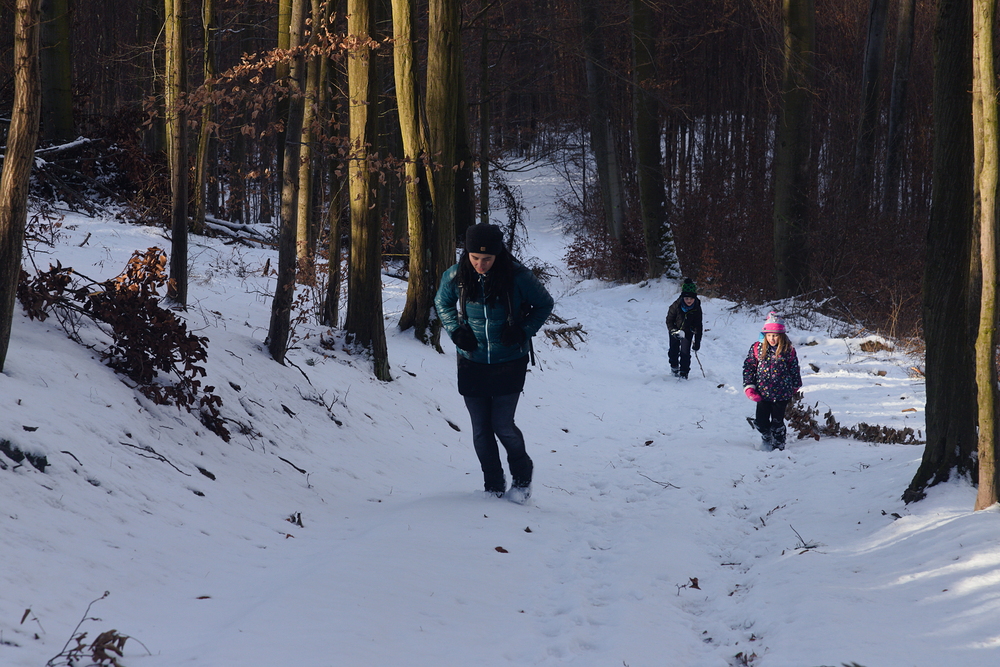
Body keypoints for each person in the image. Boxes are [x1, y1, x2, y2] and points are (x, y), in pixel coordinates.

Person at [434, 223, 554, 502]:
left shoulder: (519, 277)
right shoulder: (456, 276)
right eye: (475, 258)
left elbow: (545, 304)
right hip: (471, 361)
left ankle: (522, 477)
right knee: (480, 429)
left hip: (509, 360)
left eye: (487, 259)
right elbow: (442, 303)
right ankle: (493, 486)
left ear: (499, 254)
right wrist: (455, 331)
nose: (480, 264)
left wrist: (522, 330)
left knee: (502, 424)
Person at [742, 312, 802, 451]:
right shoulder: (757, 348)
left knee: (777, 422)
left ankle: (779, 444)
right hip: (762, 393)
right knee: (761, 422)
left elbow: (794, 367)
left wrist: (795, 384)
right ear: (765, 334)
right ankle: (767, 436)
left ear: (781, 335)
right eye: (769, 335)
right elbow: (749, 367)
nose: (772, 338)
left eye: (775, 335)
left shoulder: (787, 349)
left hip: (782, 393)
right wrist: (749, 386)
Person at [665, 278, 703, 379]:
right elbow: (669, 320)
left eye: (691, 298)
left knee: (685, 353)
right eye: (686, 299)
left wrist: (697, 341)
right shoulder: (675, 306)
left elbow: (699, 325)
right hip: (675, 330)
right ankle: (674, 367)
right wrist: (673, 330)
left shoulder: (697, 308)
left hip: (688, 332)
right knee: (673, 351)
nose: (689, 301)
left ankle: (684, 372)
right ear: (682, 298)